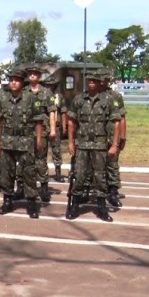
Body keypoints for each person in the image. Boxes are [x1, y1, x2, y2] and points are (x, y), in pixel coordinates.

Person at [66, 70, 122, 221]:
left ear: (99, 83)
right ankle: (75, 205)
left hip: (100, 145)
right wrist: (71, 142)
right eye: (89, 80)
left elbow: (116, 122)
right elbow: (71, 121)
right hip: (82, 145)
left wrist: (114, 145)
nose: (91, 83)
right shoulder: (79, 100)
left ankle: (102, 206)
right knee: (79, 175)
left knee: (100, 177)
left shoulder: (107, 100)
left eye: (94, 81)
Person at [0, 66, 45, 218]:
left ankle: (31, 203)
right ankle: (7, 201)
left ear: (23, 82)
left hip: (26, 140)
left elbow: (39, 121)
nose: (13, 82)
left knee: (29, 172)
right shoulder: (2, 98)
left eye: (16, 80)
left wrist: (39, 140)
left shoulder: (32, 98)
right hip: (7, 140)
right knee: (6, 173)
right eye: (11, 80)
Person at [24, 65, 57, 203]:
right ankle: (22, 187)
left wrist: (53, 129)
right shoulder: (23, 91)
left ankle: (43, 187)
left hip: (42, 131)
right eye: (30, 73)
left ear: (39, 76)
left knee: (41, 160)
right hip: (26, 131)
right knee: (25, 160)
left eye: (35, 74)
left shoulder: (46, 92)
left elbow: (52, 111)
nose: (32, 76)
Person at [102, 68, 126, 207]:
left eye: (105, 79)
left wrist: (123, 137)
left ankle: (113, 192)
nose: (102, 82)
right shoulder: (91, 96)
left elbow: (122, 117)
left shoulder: (116, 96)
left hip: (112, 137)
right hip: (95, 138)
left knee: (112, 166)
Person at [42, 75, 67, 182]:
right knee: (41, 151)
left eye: (52, 85)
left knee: (56, 150)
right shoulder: (41, 95)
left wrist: (64, 127)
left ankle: (58, 173)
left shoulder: (59, 97)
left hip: (56, 127)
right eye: (48, 85)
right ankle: (41, 173)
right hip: (43, 126)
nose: (50, 87)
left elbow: (64, 112)